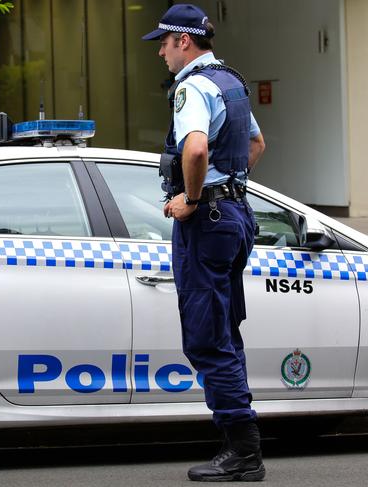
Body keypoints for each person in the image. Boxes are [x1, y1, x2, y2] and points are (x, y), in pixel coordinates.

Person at [142, 4, 266, 482]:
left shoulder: (192, 86)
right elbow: (256, 144)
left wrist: (194, 198)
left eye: (164, 43)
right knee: (224, 329)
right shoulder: (231, 83)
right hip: (235, 215)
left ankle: (242, 449)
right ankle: (241, 444)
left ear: (184, 41)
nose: (161, 52)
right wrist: (228, 186)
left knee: (206, 336)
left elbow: (194, 148)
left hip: (207, 222)